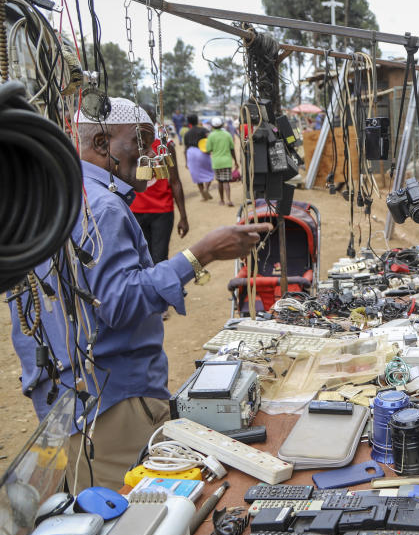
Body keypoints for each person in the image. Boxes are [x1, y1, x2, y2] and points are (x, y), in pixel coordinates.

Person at [7, 97, 271, 491]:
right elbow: (120, 302)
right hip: (114, 403)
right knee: (129, 518)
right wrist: (202, 254)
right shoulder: (103, 208)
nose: (149, 154)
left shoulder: (51, 198)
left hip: (68, 398)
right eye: (140, 141)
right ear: (101, 143)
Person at [130, 106, 189, 269]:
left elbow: (175, 181)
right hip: (135, 211)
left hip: (161, 212)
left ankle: (160, 293)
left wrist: (183, 216)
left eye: (148, 119)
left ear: (154, 121)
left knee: (159, 259)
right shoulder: (129, 145)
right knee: (139, 259)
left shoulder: (165, 146)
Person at [206, 116, 239, 207]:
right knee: (226, 181)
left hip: (216, 162)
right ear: (221, 125)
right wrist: (236, 162)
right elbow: (232, 149)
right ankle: (229, 200)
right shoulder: (227, 134)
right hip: (226, 161)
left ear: (212, 126)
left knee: (220, 181)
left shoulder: (211, 136)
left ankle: (221, 200)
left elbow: (208, 149)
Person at [183, 113, 213, 201]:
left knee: (197, 175)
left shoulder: (187, 133)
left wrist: (186, 162)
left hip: (191, 153)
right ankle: (206, 189)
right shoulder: (204, 130)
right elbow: (209, 140)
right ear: (197, 120)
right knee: (209, 172)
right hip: (202, 152)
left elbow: (185, 149)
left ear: (189, 122)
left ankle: (202, 194)